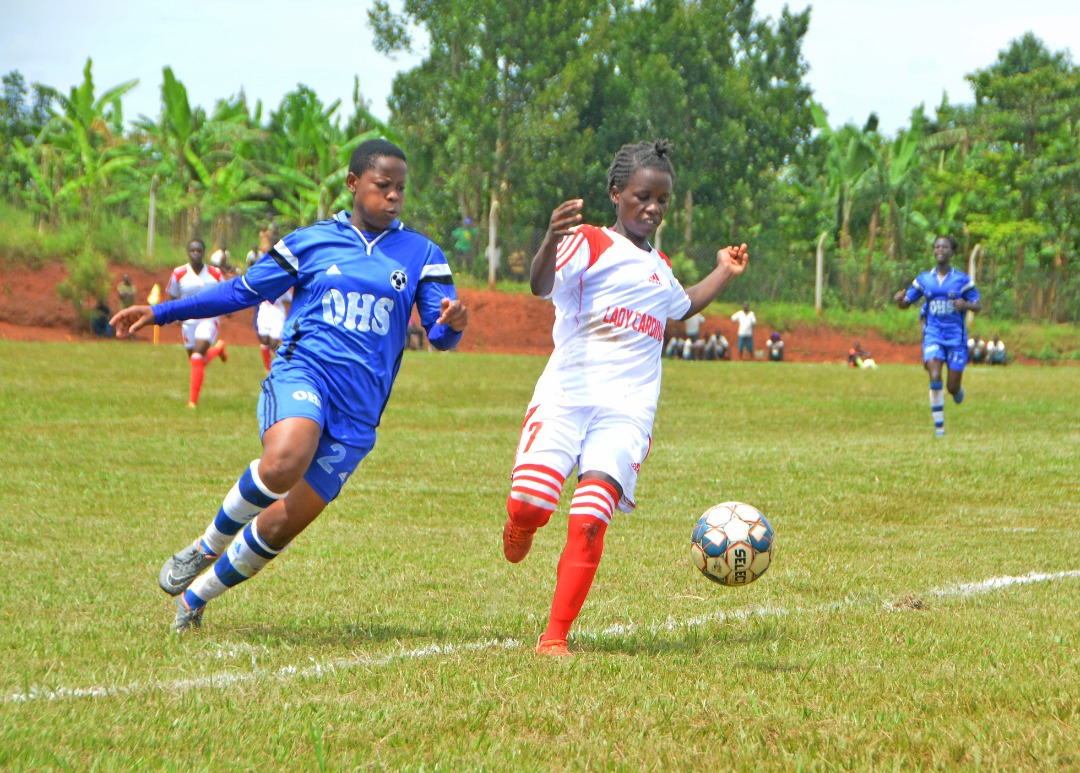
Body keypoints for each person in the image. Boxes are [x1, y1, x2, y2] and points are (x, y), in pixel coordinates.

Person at [110, 139, 469, 633]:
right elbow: (241, 290)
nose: (393, 197)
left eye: (400, 189)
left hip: (358, 416)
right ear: (353, 184)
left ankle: (194, 599)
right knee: (285, 459)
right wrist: (163, 312)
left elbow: (442, 335)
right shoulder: (312, 241)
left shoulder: (423, 254)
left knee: (282, 522)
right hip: (305, 372)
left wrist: (454, 322)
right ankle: (205, 547)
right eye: (383, 186)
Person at [500, 139, 748, 656]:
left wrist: (724, 269)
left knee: (590, 521)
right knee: (529, 505)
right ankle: (522, 524)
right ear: (616, 194)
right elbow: (540, 285)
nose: (652, 209)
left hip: (627, 411)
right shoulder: (587, 241)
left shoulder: (660, 266)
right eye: (642, 197)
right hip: (567, 397)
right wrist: (549, 238)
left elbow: (681, 306)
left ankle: (555, 637)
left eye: (661, 200)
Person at [894, 234, 981, 437]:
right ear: (934, 251)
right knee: (934, 376)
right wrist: (900, 300)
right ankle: (939, 430)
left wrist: (966, 304)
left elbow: (978, 304)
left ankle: (956, 391)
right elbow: (907, 302)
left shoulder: (962, 279)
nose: (940, 250)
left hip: (956, 339)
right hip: (933, 335)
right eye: (937, 247)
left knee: (951, 387)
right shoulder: (925, 279)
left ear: (952, 252)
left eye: (945, 247)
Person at [165, 238, 228, 409]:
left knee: (197, 356)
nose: (195, 254)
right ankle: (217, 350)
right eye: (192, 250)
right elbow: (172, 297)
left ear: (204, 252)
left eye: (199, 250)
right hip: (188, 322)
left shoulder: (215, 273)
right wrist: (174, 314)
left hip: (209, 319)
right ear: (188, 252)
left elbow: (226, 293)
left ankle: (192, 402)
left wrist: (228, 308)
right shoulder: (179, 273)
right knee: (196, 360)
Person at [256, 288, 292, 371]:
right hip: (264, 313)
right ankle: (268, 368)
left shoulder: (283, 286)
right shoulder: (263, 283)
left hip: (278, 315)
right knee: (264, 339)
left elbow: (290, 299)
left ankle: (286, 361)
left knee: (273, 343)